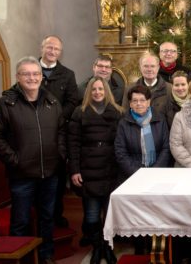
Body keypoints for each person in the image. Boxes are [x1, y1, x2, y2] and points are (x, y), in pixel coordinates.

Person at [0, 56, 66, 264]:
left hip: (50, 172)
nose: (32, 78)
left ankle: (46, 255)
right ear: (17, 77)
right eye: (26, 74)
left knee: (47, 218)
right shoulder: (4, 104)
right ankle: (22, 259)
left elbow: (61, 132)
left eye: (36, 74)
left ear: (41, 77)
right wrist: (14, 160)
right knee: (20, 220)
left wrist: (60, 155)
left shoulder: (52, 102)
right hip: (21, 174)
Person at [68, 77, 122, 264]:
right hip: (88, 171)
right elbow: (73, 144)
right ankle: (97, 248)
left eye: (101, 89)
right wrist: (74, 170)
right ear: (88, 92)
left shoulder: (116, 112)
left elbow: (120, 143)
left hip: (110, 170)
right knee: (91, 216)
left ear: (106, 91)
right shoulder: (79, 112)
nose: (97, 92)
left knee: (109, 215)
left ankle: (108, 248)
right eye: (94, 89)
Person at [114, 84, 171, 254]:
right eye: (135, 101)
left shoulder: (159, 119)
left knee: (157, 212)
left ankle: (157, 246)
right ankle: (139, 247)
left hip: (157, 174)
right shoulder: (124, 123)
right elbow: (120, 152)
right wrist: (139, 174)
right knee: (138, 214)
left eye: (142, 100)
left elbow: (166, 148)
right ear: (130, 104)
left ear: (149, 102)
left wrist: (153, 172)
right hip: (133, 176)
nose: (139, 104)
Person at [39, 35, 78, 228]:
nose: (53, 52)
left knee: (58, 178)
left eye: (56, 49)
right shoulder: (31, 70)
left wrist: (57, 118)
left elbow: (72, 101)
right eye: (50, 47)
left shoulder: (67, 74)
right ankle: (40, 218)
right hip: (33, 131)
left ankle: (56, 215)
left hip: (58, 132)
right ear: (42, 48)